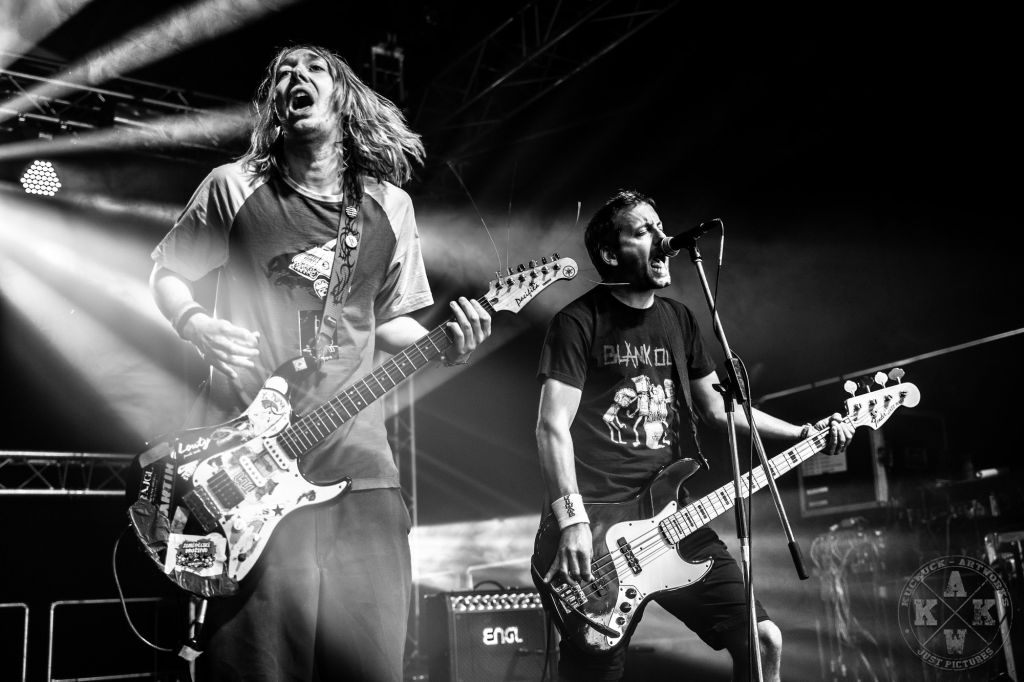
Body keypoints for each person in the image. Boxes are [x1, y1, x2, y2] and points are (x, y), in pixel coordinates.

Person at [149, 44, 490, 682]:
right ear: (275, 105)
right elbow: (166, 272)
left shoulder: (390, 205)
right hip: (251, 476)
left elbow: (388, 322)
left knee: (371, 666)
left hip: (361, 469)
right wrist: (195, 324)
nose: (294, 77)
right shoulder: (233, 186)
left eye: (313, 69)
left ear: (343, 97)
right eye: (282, 72)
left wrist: (449, 343)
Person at [535, 189, 853, 682]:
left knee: (763, 639)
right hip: (597, 532)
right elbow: (551, 425)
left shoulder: (678, 319)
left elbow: (718, 409)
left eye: (662, 227)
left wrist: (802, 432)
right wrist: (572, 521)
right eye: (644, 231)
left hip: (672, 518)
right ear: (610, 254)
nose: (664, 240)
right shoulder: (577, 322)